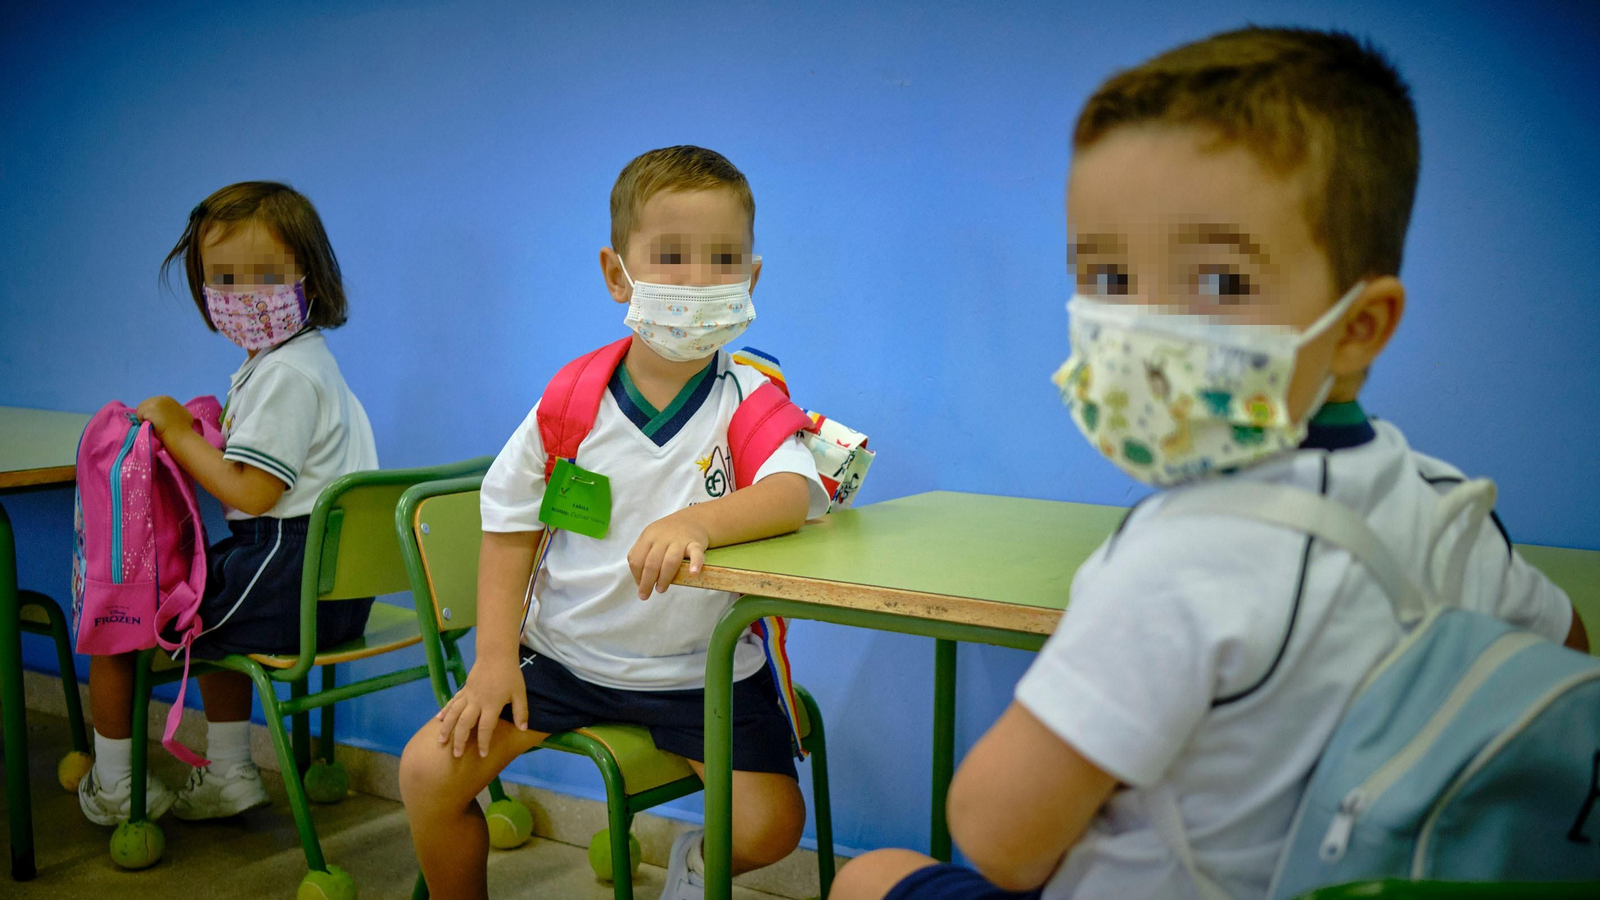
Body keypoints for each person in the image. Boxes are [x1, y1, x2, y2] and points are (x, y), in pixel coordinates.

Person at [830, 26, 1589, 900]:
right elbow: (1566, 643)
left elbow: (998, 838)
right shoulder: (1451, 509)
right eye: (1107, 279)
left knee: (873, 875)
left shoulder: (1182, 559)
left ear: (1359, 328)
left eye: (1218, 283)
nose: (1144, 329)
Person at [399, 145, 831, 900]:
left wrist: (701, 519)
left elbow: (794, 491)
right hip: (562, 659)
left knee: (771, 826)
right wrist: (495, 658)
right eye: (671, 257)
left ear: (751, 279)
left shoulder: (751, 398)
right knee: (427, 773)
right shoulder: (570, 400)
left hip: (702, 674)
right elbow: (507, 525)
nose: (697, 280)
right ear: (615, 274)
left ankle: (694, 866)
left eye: (722, 258)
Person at [80, 182, 378, 825]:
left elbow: (252, 490)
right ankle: (228, 771)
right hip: (330, 590)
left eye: (265, 275)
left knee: (124, 622)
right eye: (225, 279)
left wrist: (177, 432)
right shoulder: (304, 365)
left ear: (312, 280)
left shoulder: (285, 375)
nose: (245, 295)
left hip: (287, 574)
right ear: (205, 293)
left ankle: (114, 786)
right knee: (211, 625)